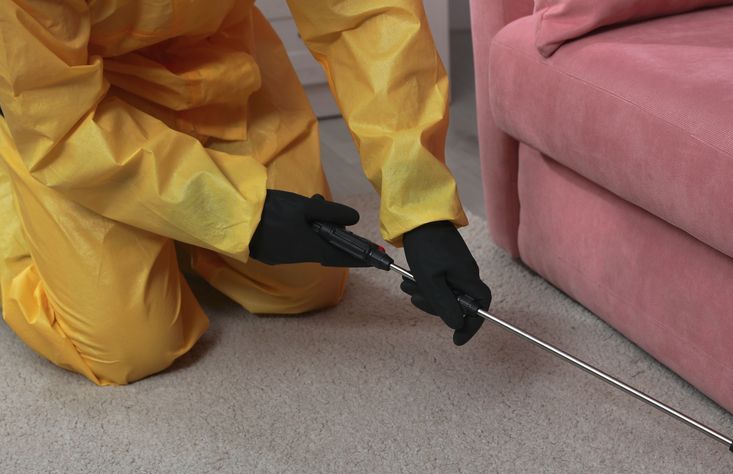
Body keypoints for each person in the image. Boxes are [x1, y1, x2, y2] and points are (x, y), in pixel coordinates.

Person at [0, 1, 491, 386]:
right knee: (129, 346)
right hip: (73, 105)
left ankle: (177, 231)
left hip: (217, 67)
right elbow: (60, 120)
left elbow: (363, 17)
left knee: (307, 286)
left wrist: (422, 209)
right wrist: (239, 215)